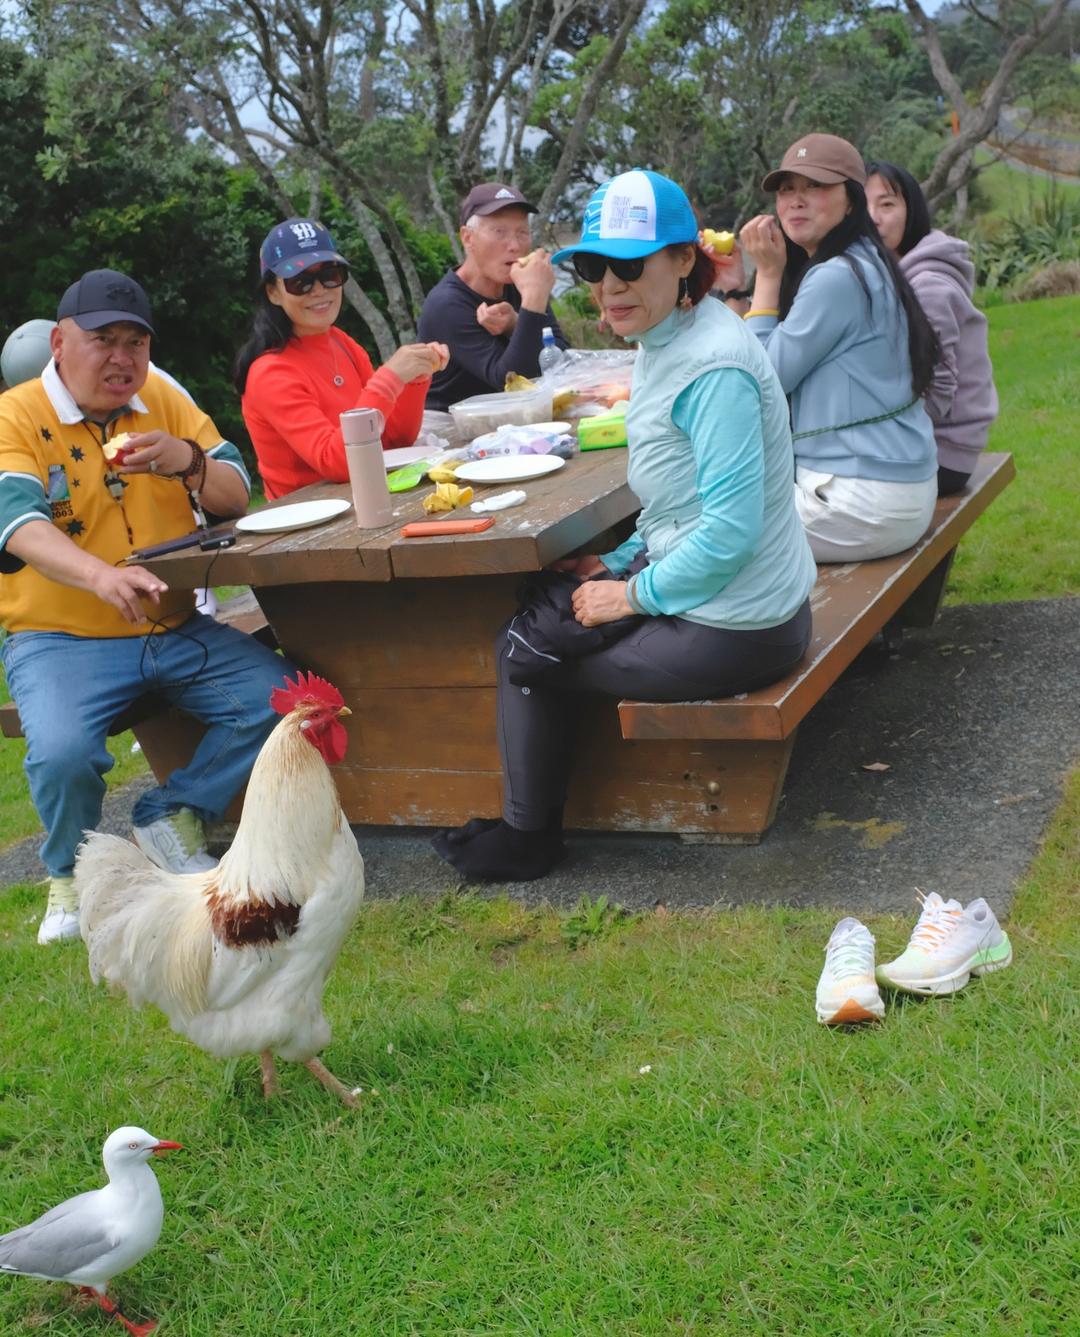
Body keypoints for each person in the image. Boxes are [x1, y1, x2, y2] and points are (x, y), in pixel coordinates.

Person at [431, 170, 817, 882]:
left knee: (525, 648)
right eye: (594, 266)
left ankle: (529, 838)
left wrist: (628, 595)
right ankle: (527, 822)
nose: (609, 284)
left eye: (630, 265)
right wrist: (623, 556)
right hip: (739, 599)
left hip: (742, 623)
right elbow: (683, 506)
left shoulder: (711, 366)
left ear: (683, 260)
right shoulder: (676, 337)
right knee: (544, 609)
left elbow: (728, 533)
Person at [0, 268, 292, 945]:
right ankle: (69, 874)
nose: (123, 358)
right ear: (58, 342)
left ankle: (171, 811)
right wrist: (100, 576)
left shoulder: (161, 396)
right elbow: (15, 523)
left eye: (137, 342)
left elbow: (234, 492)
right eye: (104, 339)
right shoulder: (17, 413)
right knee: (65, 753)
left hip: (173, 621)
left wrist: (186, 460)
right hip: (60, 636)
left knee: (284, 698)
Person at [740, 134, 941, 562]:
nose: (796, 200)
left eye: (814, 186)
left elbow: (761, 382)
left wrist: (767, 276)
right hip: (893, 489)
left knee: (699, 530)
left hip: (859, 502)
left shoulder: (837, 276)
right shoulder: (864, 259)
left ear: (851, 200)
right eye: (787, 189)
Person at [236, 218, 448, 500]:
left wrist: (414, 378)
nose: (320, 289)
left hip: (357, 504)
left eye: (330, 274)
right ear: (273, 292)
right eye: (301, 281)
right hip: (305, 524)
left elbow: (393, 440)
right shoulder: (269, 373)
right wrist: (390, 378)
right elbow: (336, 462)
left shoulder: (341, 343)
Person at [866, 161, 998, 496]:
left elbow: (938, 395)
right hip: (930, 446)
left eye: (887, 204)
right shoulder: (890, 275)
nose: (874, 218)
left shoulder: (927, 288)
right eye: (864, 206)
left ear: (912, 211)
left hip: (943, 454)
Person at [416, 183, 568, 410]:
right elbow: (513, 382)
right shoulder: (446, 304)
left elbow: (562, 359)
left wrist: (516, 324)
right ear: (467, 238)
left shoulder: (521, 282)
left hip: (506, 421)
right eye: (500, 232)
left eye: (522, 233)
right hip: (449, 426)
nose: (515, 245)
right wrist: (533, 300)